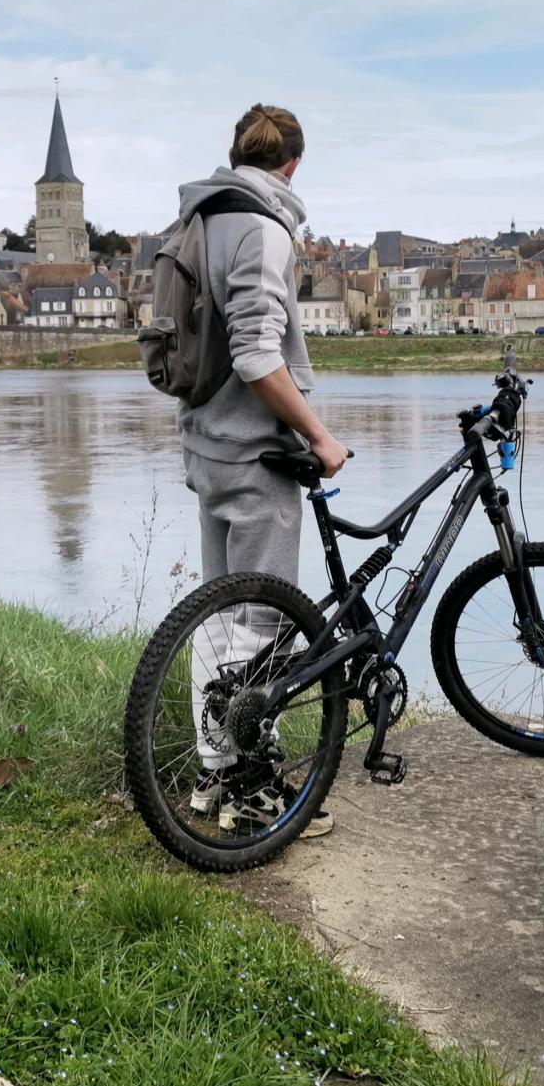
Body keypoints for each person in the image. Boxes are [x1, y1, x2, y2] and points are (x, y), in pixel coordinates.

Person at [174, 103, 348, 834]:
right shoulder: (264, 229)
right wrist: (318, 434)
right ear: (294, 165)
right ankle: (252, 792)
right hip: (256, 452)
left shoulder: (199, 218)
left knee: (219, 613)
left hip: (204, 443)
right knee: (265, 620)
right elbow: (254, 354)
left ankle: (212, 776)